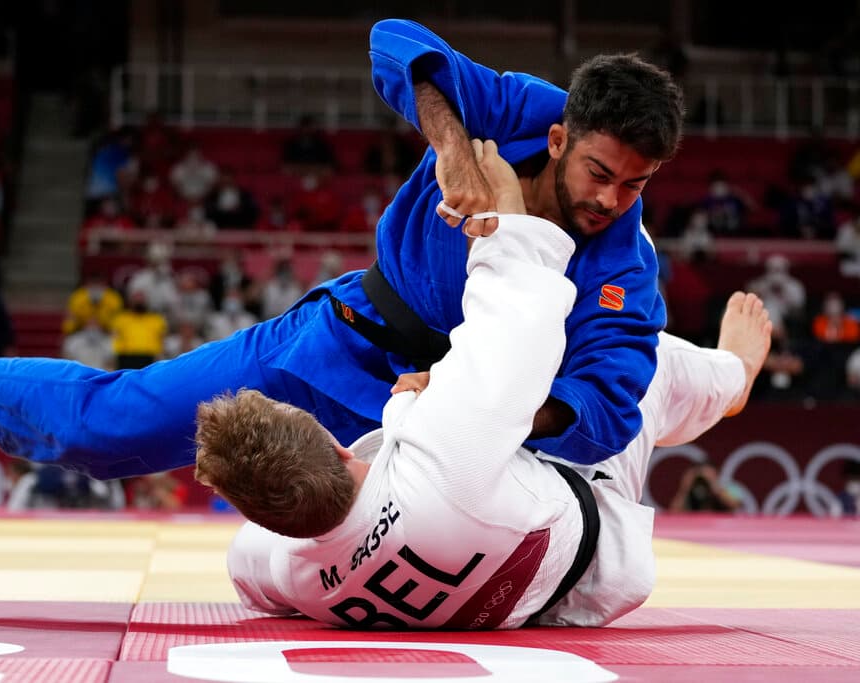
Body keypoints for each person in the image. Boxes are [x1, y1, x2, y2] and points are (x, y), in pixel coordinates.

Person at [0, 19, 682, 481]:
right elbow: (394, 42)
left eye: (636, 186)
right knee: (120, 430)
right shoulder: (520, 109)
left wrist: (495, 408)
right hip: (339, 341)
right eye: (600, 172)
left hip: (453, 430)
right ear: (561, 132)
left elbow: (610, 407)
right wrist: (456, 150)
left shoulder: (626, 270)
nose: (610, 201)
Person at [197, 144, 771, 629]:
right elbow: (520, 308)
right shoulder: (446, 451)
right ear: (338, 443)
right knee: (644, 367)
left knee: (482, 402)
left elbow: (249, 566)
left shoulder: (286, 569)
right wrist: (512, 211)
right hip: (595, 542)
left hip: (537, 602)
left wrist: (408, 407)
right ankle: (732, 378)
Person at [668, 461, 743, 512]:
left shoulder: (730, 487)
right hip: (696, 527)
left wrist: (714, 485)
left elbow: (735, 506)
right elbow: (674, 511)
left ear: (717, 473)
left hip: (722, 527)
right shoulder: (693, 489)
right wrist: (685, 487)